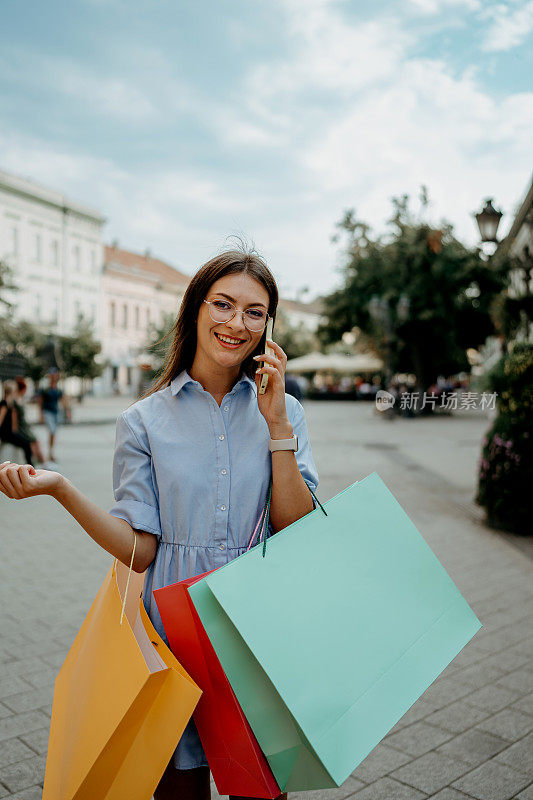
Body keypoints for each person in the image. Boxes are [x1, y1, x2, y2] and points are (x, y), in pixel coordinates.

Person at [0, 249, 319, 800]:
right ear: (195, 309)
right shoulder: (143, 421)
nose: (236, 323)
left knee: (262, 792)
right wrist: (61, 488)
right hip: (174, 636)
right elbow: (139, 551)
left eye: (255, 312)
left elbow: (298, 527)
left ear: (269, 326)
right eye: (223, 304)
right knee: (179, 788)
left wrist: (277, 426)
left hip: (256, 627)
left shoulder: (282, 408)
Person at [38, 369, 69, 462]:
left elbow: (64, 400)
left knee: (53, 433)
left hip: (56, 413)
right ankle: (49, 454)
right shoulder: (45, 389)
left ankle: (51, 453)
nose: (54, 377)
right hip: (47, 412)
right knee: (52, 431)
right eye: (52, 375)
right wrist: (40, 415)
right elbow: (40, 402)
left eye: (55, 375)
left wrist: (67, 412)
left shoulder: (58, 389)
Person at [0, 380, 34, 465]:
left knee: (27, 443)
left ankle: (30, 464)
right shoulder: (4, 403)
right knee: (26, 444)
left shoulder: (10, 403)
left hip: (10, 432)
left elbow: (14, 421)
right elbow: (0, 420)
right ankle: (30, 465)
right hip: (6, 433)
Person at [14, 377, 46, 465]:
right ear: (23, 389)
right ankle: (41, 462)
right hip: (21, 428)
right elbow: (15, 420)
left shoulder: (19, 399)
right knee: (33, 442)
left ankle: (42, 461)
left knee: (36, 442)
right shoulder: (16, 400)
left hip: (24, 426)